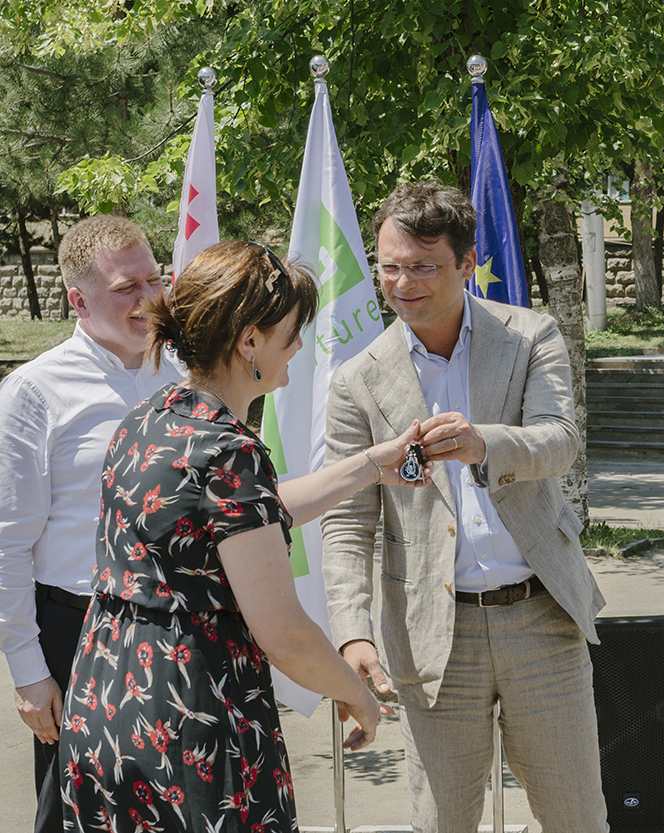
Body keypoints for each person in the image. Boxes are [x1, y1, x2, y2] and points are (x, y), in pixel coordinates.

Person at [57, 240, 437, 831]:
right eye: (291, 332)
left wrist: (369, 465)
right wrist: (356, 693)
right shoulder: (228, 450)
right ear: (249, 342)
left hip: (110, 704)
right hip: (191, 718)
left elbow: (240, 519)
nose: (300, 346)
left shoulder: (152, 417)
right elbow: (282, 630)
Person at [320, 181, 608, 832]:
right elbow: (347, 520)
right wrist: (352, 630)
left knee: (577, 817)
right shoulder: (357, 380)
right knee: (441, 820)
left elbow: (560, 440)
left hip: (542, 619)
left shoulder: (530, 336)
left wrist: (485, 444)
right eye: (389, 267)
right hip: (430, 636)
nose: (403, 283)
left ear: (467, 262)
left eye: (423, 266)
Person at [0, 216, 184, 833]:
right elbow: (8, 542)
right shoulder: (34, 392)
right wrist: (29, 673)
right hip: (76, 632)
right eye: (127, 287)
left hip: (176, 628)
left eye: (154, 279)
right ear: (78, 300)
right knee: (75, 813)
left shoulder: (185, 376)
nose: (149, 298)